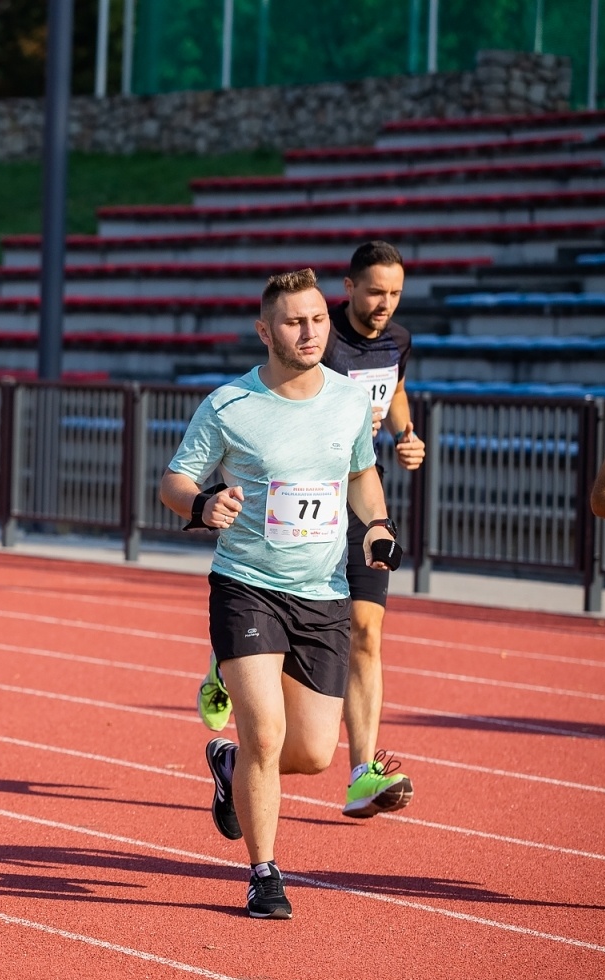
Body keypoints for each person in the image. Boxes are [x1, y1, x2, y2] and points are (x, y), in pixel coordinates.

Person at [161, 269, 397, 920]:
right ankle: (264, 873)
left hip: (323, 592)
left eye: (318, 319)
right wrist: (202, 504)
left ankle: (228, 764)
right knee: (266, 735)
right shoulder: (229, 405)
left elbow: (361, 474)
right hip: (247, 586)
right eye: (295, 322)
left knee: (314, 754)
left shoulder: (350, 401)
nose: (310, 332)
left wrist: (378, 525)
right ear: (265, 332)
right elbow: (175, 480)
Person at [198, 241, 425, 821]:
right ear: (348, 290)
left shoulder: (397, 341)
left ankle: (360, 769)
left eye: (395, 293)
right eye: (375, 292)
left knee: (368, 632)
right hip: (281, 522)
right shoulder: (318, 341)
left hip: (352, 505)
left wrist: (405, 434)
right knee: (272, 718)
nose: (385, 303)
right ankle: (233, 656)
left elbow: (394, 389)